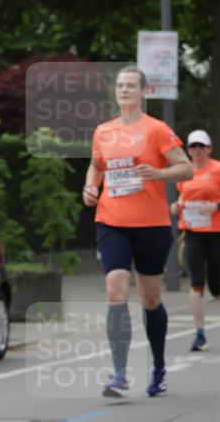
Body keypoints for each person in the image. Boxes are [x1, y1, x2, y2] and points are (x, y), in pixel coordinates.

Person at [82, 65, 192, 397]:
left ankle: (158, 368)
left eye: (131, 85)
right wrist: (90, 187)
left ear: (143, 92)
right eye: (120, 85)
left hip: (151, 225)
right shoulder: (103, 131)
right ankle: (119, 373)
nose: (125, 90)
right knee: (115, 290)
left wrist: (158, 174)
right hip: (112, 221)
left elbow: (185, 167)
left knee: (149, 299)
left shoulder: (157, 130)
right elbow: (96, 166)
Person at [171, 129, 220, 351]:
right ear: (188, 150)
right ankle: (200, 334)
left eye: (202, 146)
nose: (198, 151)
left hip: (216, 232)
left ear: (209, 149)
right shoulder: (184, 172)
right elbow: (182, 197)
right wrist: (176, 207)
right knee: (196, 283)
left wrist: (216, 206)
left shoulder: (217, 169)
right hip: (192, 232)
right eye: (193, 147)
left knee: (217, 285)